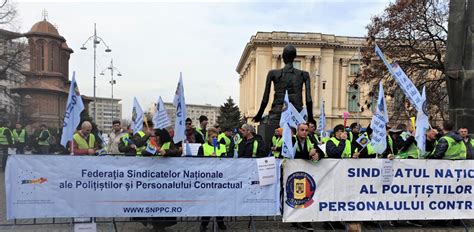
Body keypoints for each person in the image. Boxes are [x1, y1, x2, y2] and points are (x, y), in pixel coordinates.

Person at [197, 127, 227, 231]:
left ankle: (220, 221)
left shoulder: (222, 147)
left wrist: (219, 159)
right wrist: (209, 158)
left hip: (220, 178)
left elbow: (227, 161)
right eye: (213, 137)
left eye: (216, 137)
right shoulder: (203, 147)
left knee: (220, 201)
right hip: (207, 179)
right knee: (207, 202)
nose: (215, 138)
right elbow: (198, 162)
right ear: (208, 138)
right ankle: (204, 223)